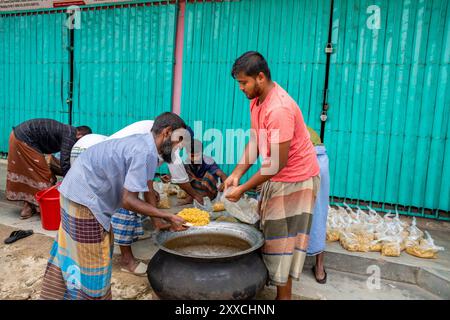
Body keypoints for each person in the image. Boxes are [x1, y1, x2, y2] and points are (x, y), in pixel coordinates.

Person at [40, 112, 187, 300]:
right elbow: (128, 201)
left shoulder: (146, 145)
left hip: (74, 191)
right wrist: (168, 216)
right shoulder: (144, 151)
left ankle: (59, 294)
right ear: (167, 132)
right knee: (94, 260)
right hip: (84, 200)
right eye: (178, 141)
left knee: (76, 249)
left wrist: (157, 221)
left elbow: (149, 187)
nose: (178, 148)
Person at [224, 51, 320, 300]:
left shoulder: (278, 108)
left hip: (296, 180)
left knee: (282, 242)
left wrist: (243, 188)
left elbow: (277, 163)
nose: (241, 88)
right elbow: (256, 140)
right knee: (269, 235)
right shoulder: (256, 101)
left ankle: (283, 297)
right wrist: (236, 173)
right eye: (239, 83)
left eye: (243, 82)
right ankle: (277, 289)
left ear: (260, 77)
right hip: (277, 176)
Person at [5, 118, 91, 219]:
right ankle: (45, 209)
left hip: (16, 136)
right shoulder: (70, 134)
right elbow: (65, 162)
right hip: (24, 140)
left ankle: (28, 207)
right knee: (44, 175)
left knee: (30, 174)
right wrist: (70, 182)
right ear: (80, 135)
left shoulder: (65, 130)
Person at [306, 127, 330, 284]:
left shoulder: (274, 123)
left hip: (306, 160)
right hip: (320, 160)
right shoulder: (294, 118)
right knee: (319, 213)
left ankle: (282, 266)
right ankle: (319, 269)